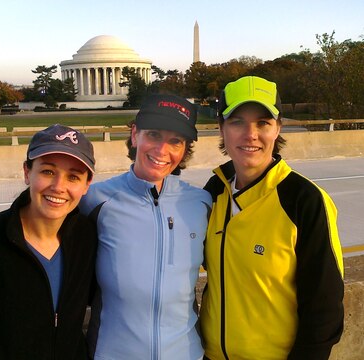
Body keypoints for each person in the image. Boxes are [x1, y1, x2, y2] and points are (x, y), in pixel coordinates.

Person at [200, 76, 344, 359]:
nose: (250, 134)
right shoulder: (213, 192)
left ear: (278, 128)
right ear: (221, 129)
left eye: (263, 123)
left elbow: (324, 308)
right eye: (237, 121)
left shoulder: (305, 200)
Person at [0, 124, 97, 360]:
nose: (58, 187)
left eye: (73, 176)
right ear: (27, 173)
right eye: (48, 172)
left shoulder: (87, 237)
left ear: (86, 185)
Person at [79, 94, 212, 360]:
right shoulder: (94, 200)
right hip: (112, 353)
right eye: (153, 134)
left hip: (186, 354)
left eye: (175, 141)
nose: (162, 150)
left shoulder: (201, 203)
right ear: (135, 135)